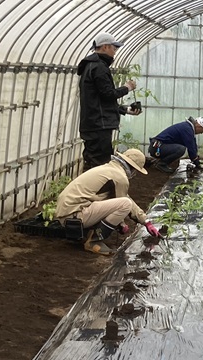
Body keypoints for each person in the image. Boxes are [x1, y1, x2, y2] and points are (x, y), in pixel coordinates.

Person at [55, 149, 161, 255]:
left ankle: (88, 233)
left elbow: (123, 196)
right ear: (132, 167)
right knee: (125, 205)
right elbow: (124, 202)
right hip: (75, 215)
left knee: (122, 202)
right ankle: (93, 242)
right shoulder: (120, 177)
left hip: (68, 211)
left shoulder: (109, 169)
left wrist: (145, 221)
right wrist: (121, 224)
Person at [77, 32, 142, 171]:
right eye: (114, 48)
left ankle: (87, 190)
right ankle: (95, 191)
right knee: (100, 165)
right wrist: (127, 87)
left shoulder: (90, 66)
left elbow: (99, 101)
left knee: (92, 162)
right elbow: (108, 95)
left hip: (93, 124)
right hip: (99, 126)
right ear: (105, 47)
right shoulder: (99, 67)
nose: (115, 52)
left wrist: (126, 110)